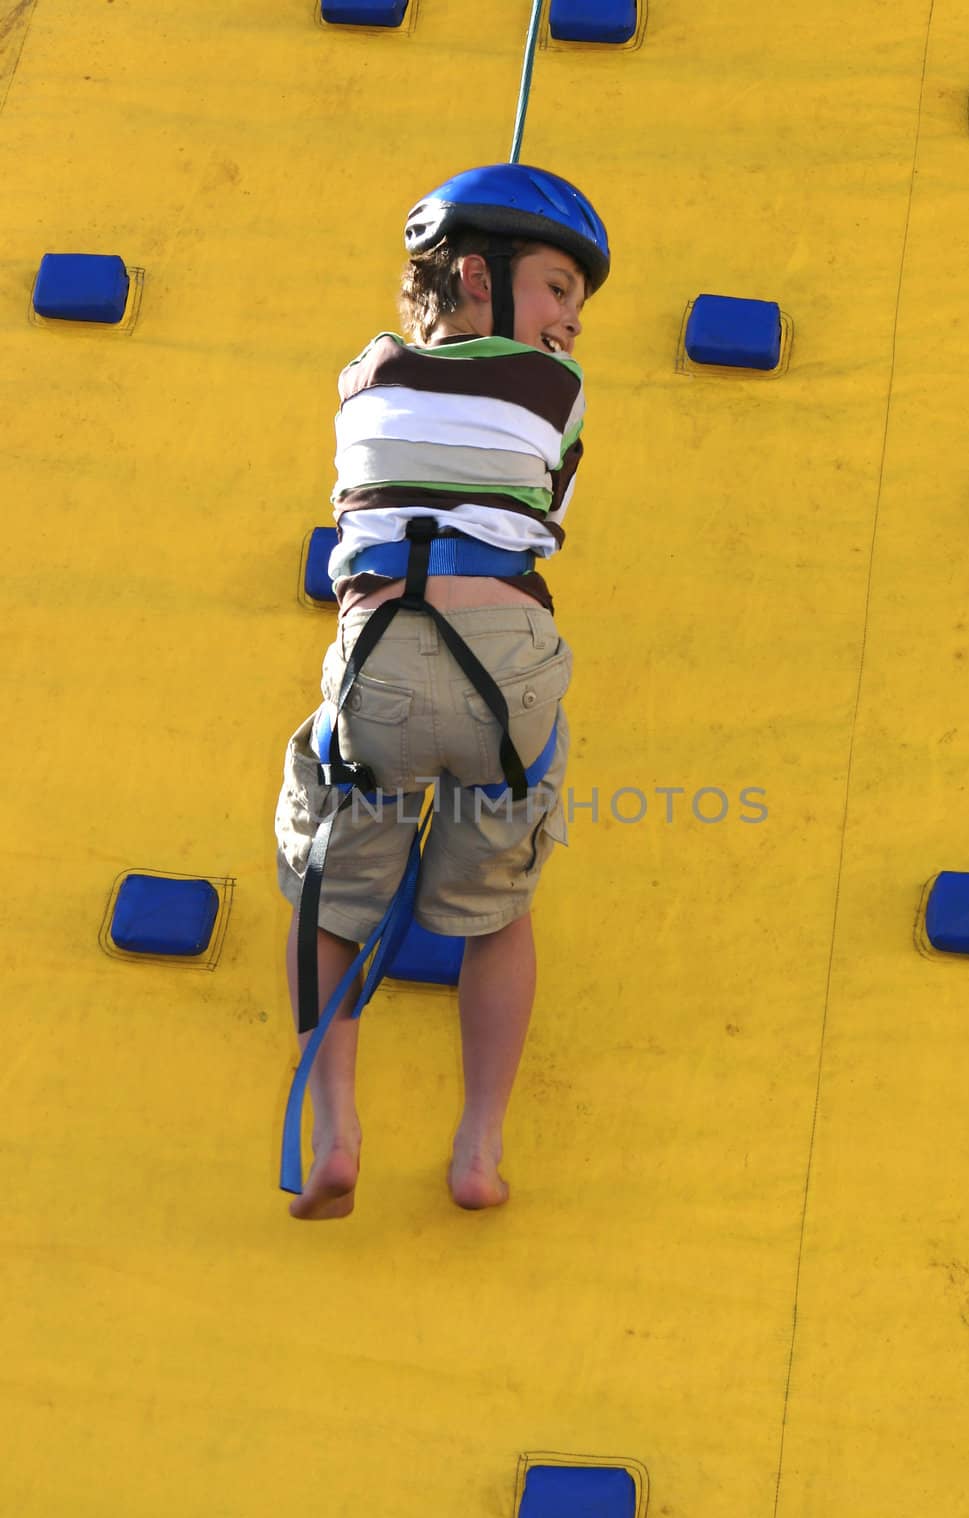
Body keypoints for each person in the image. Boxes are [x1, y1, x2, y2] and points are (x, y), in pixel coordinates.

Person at [274, 164, 610, 1221]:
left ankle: (335, 1126)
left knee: (330, 889)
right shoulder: (561, 396)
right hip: (505, 653)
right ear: (479, 274)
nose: (569, 322)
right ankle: (477, 1144)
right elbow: (545, 502)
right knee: (497, 909)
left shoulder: (363, 379)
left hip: (381, 649)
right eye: (557, 288)